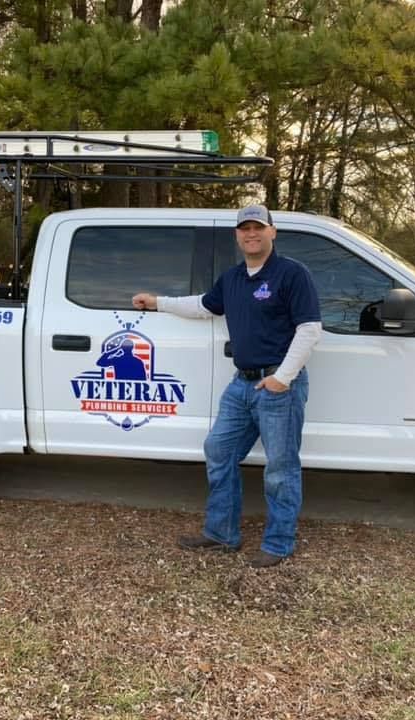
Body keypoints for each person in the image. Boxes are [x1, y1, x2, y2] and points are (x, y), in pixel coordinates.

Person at [132, 204, 321, 568]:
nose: (251, 234)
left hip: (277, 386)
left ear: (272, 232)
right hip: (242, 385)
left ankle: (279, 543)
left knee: (281, 469)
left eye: (258, 228)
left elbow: (310, 329)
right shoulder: (233, 278)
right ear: (237, 235)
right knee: (218, 450)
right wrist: (158, 303)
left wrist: (283, 377)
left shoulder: (292, 274)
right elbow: (204, 305)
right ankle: (221, 534)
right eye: (245, 229)